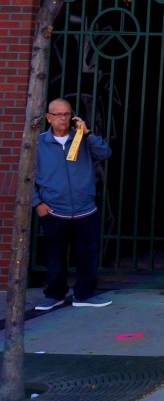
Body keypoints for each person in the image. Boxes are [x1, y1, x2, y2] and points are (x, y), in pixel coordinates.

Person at [32, 98, 113, 310]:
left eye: (67, 114)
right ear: (49, 118)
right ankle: (54, 295)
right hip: (54, 211)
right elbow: (26, 177)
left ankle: (84, 295)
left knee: (87, 255)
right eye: (58, 115)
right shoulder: (38, 143)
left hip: (85, 210)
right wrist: (37, 203)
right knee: (55, 256)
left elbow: (105, 153)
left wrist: (87, 133)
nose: (63, 118)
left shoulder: (83, 139)